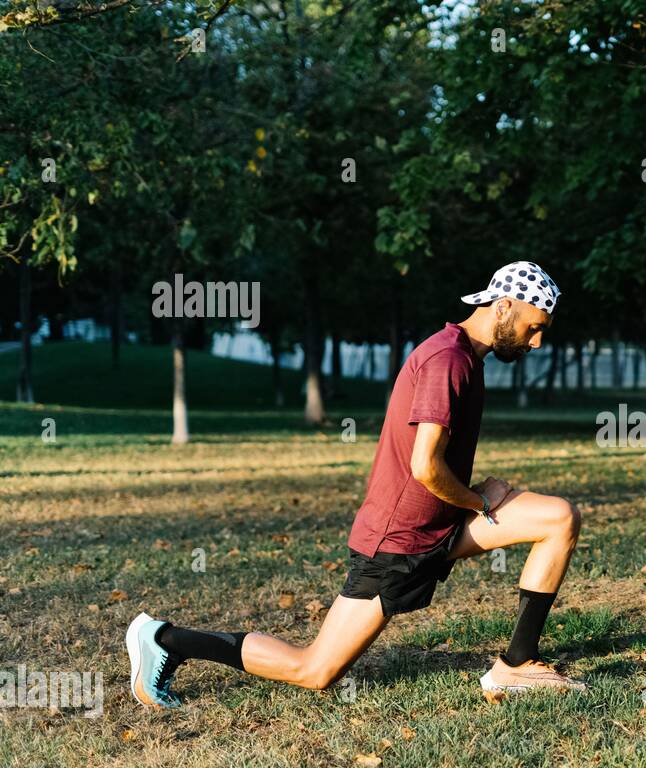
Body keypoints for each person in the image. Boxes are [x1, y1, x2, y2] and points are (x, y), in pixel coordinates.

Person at [125, 261, 586, 709]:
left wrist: (474, 500)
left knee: (559, 517)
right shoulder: (448, 359)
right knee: (315, 671)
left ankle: (517, 665)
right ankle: (165, 639)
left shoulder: (464, 355)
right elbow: (425, 467)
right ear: (504, 306)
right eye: (534, 326)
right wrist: (481, 500)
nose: (538, 340)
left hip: (440, 527)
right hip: (400, 542)